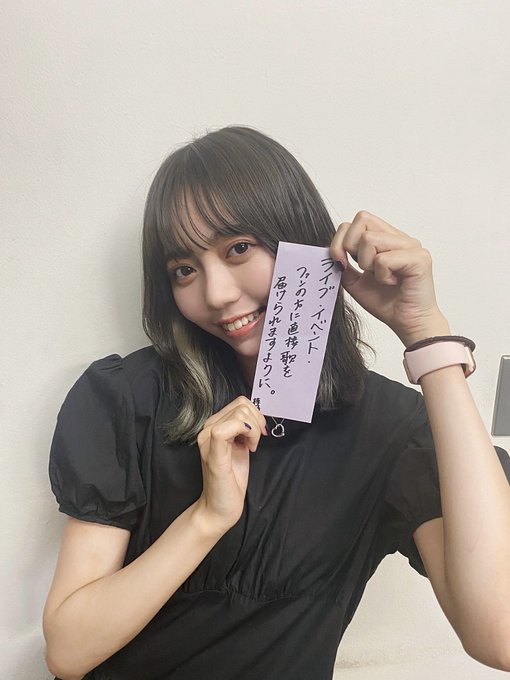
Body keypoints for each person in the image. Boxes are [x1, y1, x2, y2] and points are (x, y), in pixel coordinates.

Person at [43, 126, 510, 680]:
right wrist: (207, 518)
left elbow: (501, 636)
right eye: (184, 270)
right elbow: (68, 652)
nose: (216, 294)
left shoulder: (391, 431)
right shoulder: (128, 398)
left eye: (238, 248)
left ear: (299, 237)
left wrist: (427, 337)